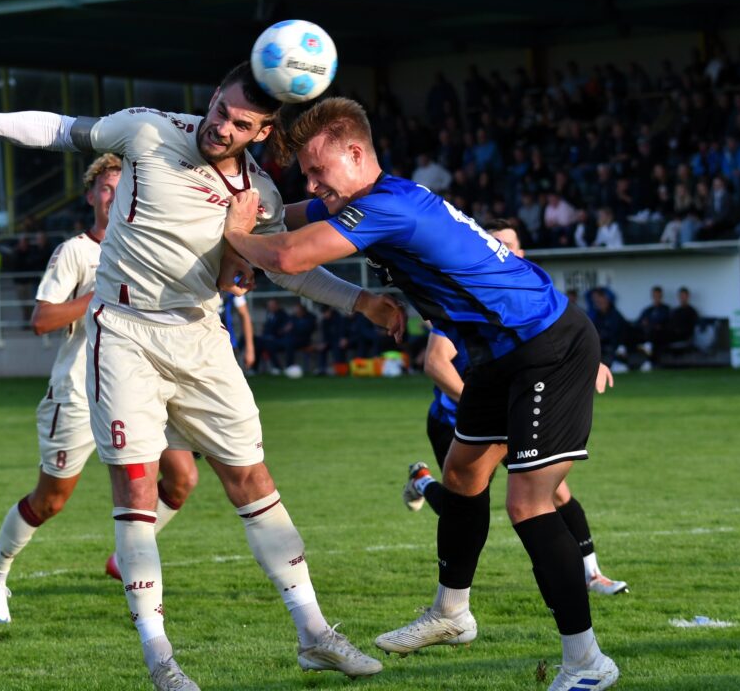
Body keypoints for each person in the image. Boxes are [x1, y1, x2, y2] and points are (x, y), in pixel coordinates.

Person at [0, 62, 400, 689]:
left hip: (201, 338)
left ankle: (314, 633)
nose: (220, 127)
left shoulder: (256, 191)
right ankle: (161, 660)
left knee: (253, 481)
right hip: (124, 331)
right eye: (218, 111)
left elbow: (287, 268)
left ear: (260, 133)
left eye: (239, 124)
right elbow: (66, 129)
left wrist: (360, 300)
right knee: (137, 492)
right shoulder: (148, 130)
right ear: (210, 99)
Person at [222, 97, 618, 691]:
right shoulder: (377, 198)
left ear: (356, 154)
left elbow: (287, 255)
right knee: (460, 477)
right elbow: (297, 216)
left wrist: (237, 234)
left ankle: (588, 662)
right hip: (498, 354)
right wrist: (253, 206)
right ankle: (452, 614)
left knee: (529, 504)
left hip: (544, 347)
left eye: (318, 169)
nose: (311, 183)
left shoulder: (386, 209)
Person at [0, 155, 201, 623]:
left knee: (182, 479)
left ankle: (127, 561)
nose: (114, 194)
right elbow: (42, 320)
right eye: (106, 187)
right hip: (79, 391)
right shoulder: (76, 251)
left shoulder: (150, 248)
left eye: (124, 186)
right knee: (50, 500)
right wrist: (97, 293)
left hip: (140, 391)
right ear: (92, 195)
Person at [400, 221, 627, 628]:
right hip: (458, 421)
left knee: (553, 493)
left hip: (512, 411)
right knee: (466, 507)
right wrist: (482, 408)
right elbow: (435, 363)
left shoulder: (526, 291)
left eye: (509, 245)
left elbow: (553, 338)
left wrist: (586, 361)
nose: (501, 250)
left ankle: (592, 574)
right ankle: (422, 482)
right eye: (494, 244)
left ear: (520, 253)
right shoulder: (467, 290)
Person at [219, 292, 255, 371]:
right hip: (201, 341)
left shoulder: (233, 283)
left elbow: (244, 314)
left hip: (227, 342)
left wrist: (250, 348)